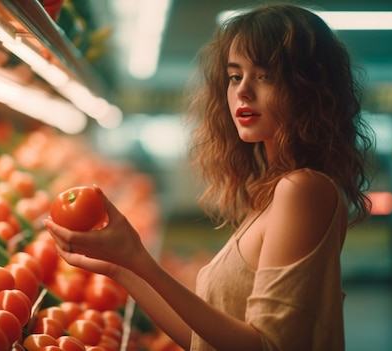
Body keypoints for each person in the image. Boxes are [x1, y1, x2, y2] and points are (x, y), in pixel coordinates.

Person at [44, 3, 374, 350]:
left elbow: (265, 346)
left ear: (309, 88)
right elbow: (202, 341)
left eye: (265, 75)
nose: (243, 91)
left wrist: (141, 259)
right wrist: (122, 268)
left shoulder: (302, 189)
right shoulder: (276, 191)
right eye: (235, 76)